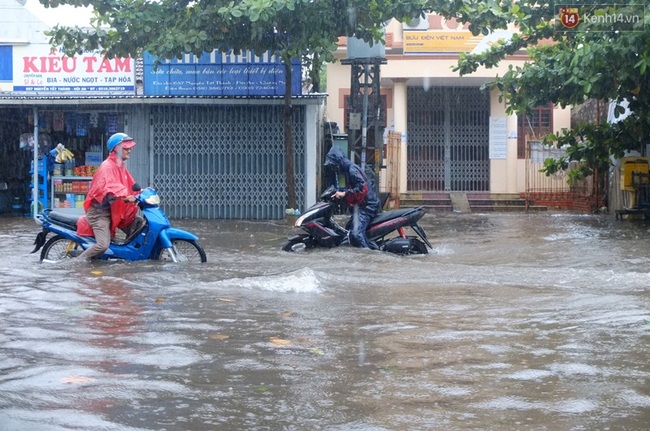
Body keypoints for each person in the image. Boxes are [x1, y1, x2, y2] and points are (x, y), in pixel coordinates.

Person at [77, 132, 143, 260]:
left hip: (114, 210)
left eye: (130, 148)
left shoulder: (120, 166)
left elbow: (130, 184)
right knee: (103, 245)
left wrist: (143, 193)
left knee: (138, 224)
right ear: (117, 149)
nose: (129, 150)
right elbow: (111, 186)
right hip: (99, 213)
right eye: (126, 148)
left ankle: (128, 257)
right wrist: (125, 195)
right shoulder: (107, 166)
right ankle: (77, 263)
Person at [324, 145, 380, 249]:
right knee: (347, 231)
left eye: (334, 165)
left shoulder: (351, 169)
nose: (334, 169)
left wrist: (344, 193)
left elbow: (362, 188)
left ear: (338, 162)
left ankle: (368, 256)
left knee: (356, 234)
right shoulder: (346, 170)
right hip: (360, 207)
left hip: (368, 207)